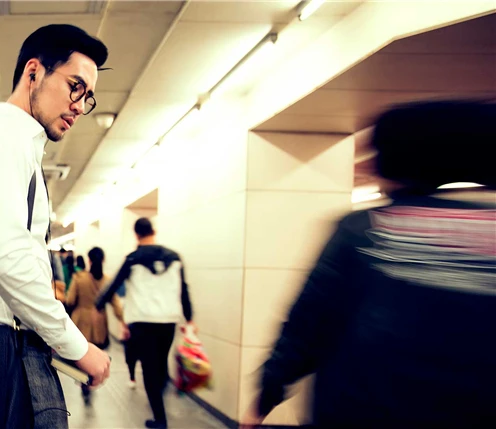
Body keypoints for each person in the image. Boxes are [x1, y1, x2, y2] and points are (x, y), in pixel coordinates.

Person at [241, 100, 496, 428]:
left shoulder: (367, 228)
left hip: (363, 406)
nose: (369, 167)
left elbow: (310, 322)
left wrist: (268, 392)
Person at [0, 24, 111, 427]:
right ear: (33, 72)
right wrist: (76, 345)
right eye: (74, 87)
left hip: (6, 348)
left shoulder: (16, 145)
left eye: (87, 97)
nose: (79, 105)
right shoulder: (0, 137)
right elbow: (6, 261)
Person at [97, 217, 194, 429]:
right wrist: (189, 318)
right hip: (168, 321)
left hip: (142, 322)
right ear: (154, 231)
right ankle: (161, 388)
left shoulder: (133, 259)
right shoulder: (174, 258)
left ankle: (160, 419)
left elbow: (113, 285)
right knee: (160, 363)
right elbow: (184, 289)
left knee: (149, 369)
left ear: (136, 235)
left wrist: (99, 303)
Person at [66, 247, 124, 404]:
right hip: (99, 324)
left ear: (89, 260)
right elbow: (116, 304)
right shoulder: (107, 280)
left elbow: (70, 300)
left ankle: (84, 384)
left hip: (81, 321)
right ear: (103, 260)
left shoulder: (79, 278)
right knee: (95, 354)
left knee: (83, 354)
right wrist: (122, 321)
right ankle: (92, 381)